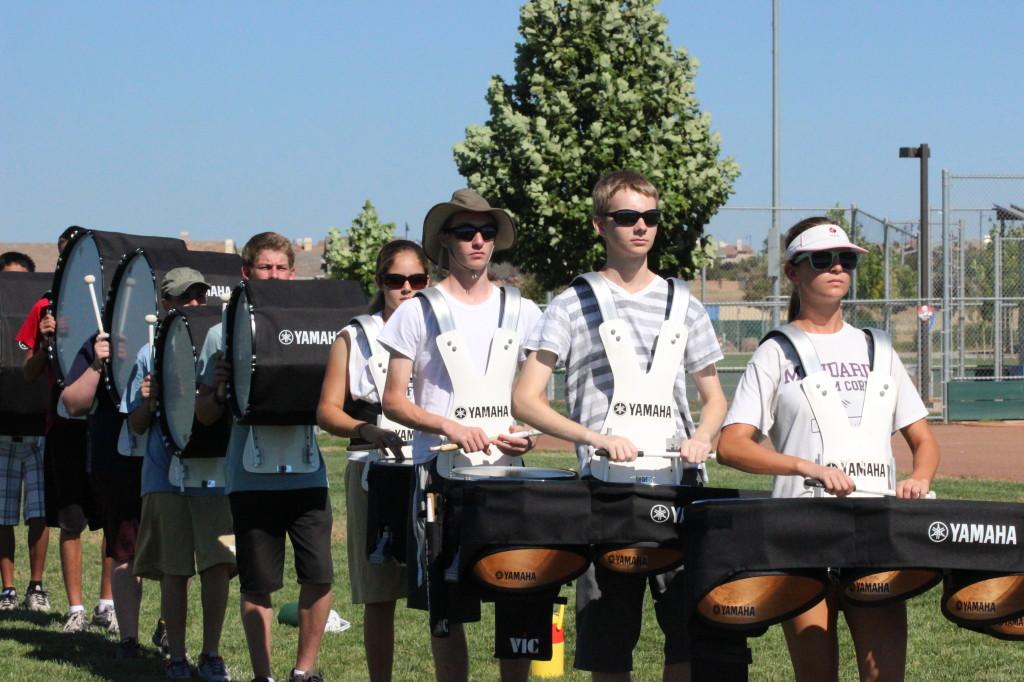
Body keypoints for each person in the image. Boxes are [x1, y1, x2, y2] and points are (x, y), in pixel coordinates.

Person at [512, 170, 727, 682]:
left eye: (649, 218)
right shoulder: (570, 303)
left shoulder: (686, 304)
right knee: (609, 642)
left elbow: (715, 398)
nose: (640, 228)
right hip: (605, 495)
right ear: (599, 225)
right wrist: (593, 439)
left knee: (687, 636)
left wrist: (703, 436)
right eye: (626, 217)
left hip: (678, 489)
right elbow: (524, 399)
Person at [716, 216, 940, 682]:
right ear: (795, 272)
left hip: (876, 528)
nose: (837, 268)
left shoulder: (878, 346)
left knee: (885, 677)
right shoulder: (776, 351)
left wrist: (920, 478)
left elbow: (923, 440)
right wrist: (803, 467)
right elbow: (732, 445)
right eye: (822, 259)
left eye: (846, 260)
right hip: (802, 530)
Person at [377, 189, 542, 682]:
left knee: (520, 599)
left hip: (508, 476)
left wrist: (528, 435)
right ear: (445, 241)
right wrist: (447, 425)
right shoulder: (417, 310)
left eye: (487, 232)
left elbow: (533, 401)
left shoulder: (524, 310)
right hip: (441, 476)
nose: (478, 241)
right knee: (448, 609)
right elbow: (393, 399)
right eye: (467, 232)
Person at [196, 232, 332, 682]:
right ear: (246, 273)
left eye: (281, 268)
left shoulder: (316, 324)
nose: (273, 275)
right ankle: (263, 675)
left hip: (307, 473)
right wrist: (218, 388)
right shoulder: (222, 331)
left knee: (319, 576)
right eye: (264, 267)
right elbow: (205, 414)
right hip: (250, 476)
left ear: (293, 273)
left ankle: (303, 672)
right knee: (258, 585)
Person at [317, 240, 429, 682]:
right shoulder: (355, 336)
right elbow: (327, 410)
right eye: (395, 280)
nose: (406, 289)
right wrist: (365, 430)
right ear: (381, 283)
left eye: (416, 280)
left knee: (445, 590)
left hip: (431, 467)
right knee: (380, 596)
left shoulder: (442, 333)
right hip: (372, 469)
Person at [123, 267, 236, 681]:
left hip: (213, 474)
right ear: (164, 303)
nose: (194, 305)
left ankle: (211, 654)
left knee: (218, 565)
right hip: (164, 474)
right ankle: (176, 658)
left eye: (199, 297)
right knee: (175, 569)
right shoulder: (146, 353)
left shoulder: (219, 344)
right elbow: (135, 424)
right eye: (185, 298)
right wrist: (149, 401)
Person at [15, 227, 115, 633]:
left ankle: (107, 603)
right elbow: (27, 372)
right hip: (65, 426)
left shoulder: (111, 303)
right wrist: (42, 344)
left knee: (111, 516)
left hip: (107, 422)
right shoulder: (45, 306)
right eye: (64, 257)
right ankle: (75, 609)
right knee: (70, 520)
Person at [61, 278, 152, 657]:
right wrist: (98, 363)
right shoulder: (97, 342)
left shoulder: (157, 336)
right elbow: (73, 403)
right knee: (124, 546)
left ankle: (165, 628)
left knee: (168, 553)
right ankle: (128, 637)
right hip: (115, 459)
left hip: (160, 458)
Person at [1, 251, 49, 612]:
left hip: (41, 430)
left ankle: (36, 586)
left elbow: (26, 351)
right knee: (3, 517)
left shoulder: (44, 317)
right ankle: (8, 589)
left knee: (39, 513)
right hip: (3, 429)